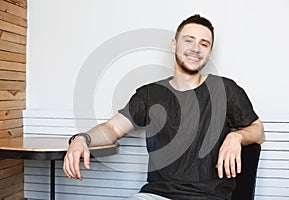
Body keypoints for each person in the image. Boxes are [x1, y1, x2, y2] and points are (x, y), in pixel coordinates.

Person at [63, 14, 265, 200]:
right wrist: (82, 139)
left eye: (204, 44)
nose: (196, 48)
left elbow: (258, 131)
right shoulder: (150, 94)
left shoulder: (226, 89)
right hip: (158, 195)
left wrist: (236, 136)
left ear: (209, 52)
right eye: (189, 40)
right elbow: (112, 129)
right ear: (174, 44)